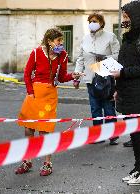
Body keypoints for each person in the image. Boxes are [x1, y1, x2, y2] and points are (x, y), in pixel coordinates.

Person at [16, 28, 81, 176]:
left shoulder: (62, 55)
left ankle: (47, 163)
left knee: (45, 129)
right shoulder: (37, 52)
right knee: (29, 128)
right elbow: (27, 74)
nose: (61, 44)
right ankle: (27, 160)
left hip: (50, 94)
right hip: (34, 93)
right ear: (49, 41)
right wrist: (30, 92)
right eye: (58, 41)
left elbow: (62, 77)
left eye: (61, 41)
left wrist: (73, 75)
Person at [111, 0, 140, 185]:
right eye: (123, 16)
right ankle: (139, 167)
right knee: (134, 134)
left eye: (127, 17)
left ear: (137, 17)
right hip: (128, 94)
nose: (124, 20)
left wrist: (122, 73)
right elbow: (125, 63)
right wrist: (118, 89)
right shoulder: (129, 37)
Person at [74, 13, 120, 145]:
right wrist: (77, 76)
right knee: (95, 108)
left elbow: (118, 54)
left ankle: (112, 135)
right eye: (90, 21)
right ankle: (98, 135)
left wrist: (105, 58)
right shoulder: (85, 38)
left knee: (108, 107)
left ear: (101, 23)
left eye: (94, 21)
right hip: (90, 78)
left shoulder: (110, 36)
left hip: (106, 78)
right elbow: (81, 58)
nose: (91, 23)